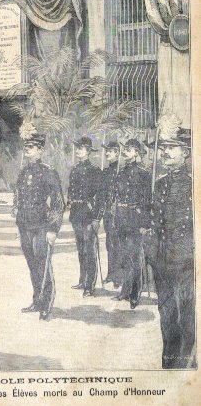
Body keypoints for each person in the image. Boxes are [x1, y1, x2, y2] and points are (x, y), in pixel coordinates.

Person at [147, 128, 195, 368]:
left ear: (185, 152)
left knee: (187, 315)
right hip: (162, 261)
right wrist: (151, 252)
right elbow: (155, 223)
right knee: (166, 316)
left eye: (171, 147)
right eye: (163, 148)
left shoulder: (192, 185)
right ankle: (169, 363)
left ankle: (187, 365)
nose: (165, 152)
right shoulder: (161, 183)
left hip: (186, 261)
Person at [12, 135, 65, 321]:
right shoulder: (23, 171)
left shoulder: (48, 172)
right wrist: (16, 208)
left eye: (32, 147)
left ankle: (46, 304)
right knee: (31, 264)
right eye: (26, 146)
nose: (28, 149)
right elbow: (18, 194)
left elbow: (58, 203)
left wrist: (53, 229)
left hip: (42, 224)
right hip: (24, 223)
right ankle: (36, 299)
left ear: (40, 150)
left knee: (43, 263)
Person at [112, 138, 151, 309]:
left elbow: (147, 201)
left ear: (136, 152)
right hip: (121, 218)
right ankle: (125, 290)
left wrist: (144, 223)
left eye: (129, 149)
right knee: (123, 256)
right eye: (125, 148)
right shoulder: (120, 173)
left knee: (135, 257)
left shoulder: (144, 174)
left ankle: (135, 293)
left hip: (135, 219)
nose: (125, 151)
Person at [67, 137, 102, 297]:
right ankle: (82, 280)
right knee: (81, 249)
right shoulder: (74, 169)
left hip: (88, 213)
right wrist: (69, 202)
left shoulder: (94, 170)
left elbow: (100, 196)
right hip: (76, 212)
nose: (78, 151)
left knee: (89, 250)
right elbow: (71, 190)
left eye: (81, 148)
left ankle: (89, 285)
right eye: (77, 148)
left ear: (88, 151)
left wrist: (96, 217)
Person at [99, 141, 122, 287]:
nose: (107, 153)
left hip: (119, 213)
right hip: (108, 213)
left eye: (111, 151)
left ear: (118, 153)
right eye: (107, 150)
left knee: (118, 244)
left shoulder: (122, 170)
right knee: (109, 243)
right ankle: (111, 274)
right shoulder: (106, 172)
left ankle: (119, 277)